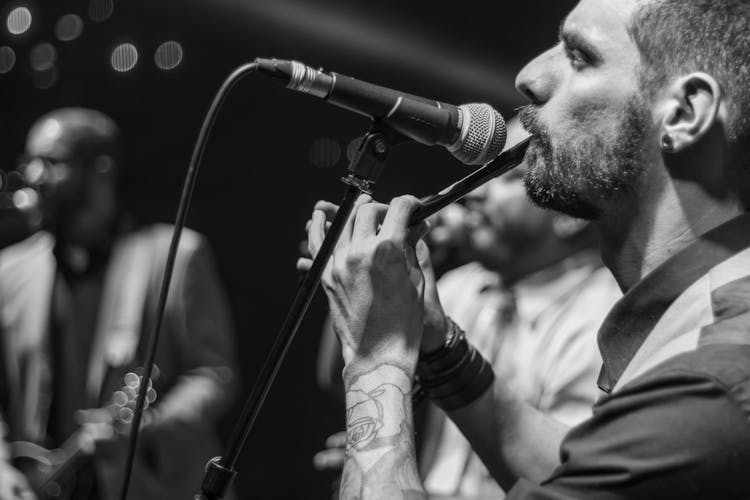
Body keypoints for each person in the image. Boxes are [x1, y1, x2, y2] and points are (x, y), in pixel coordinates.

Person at [300, 0, 750, 498]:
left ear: (684, 113)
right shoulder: (701, 341)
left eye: (580, 56)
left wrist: (377, 359)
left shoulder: (716, 378)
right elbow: (586, 470)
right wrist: (438, 343)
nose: (529, 76)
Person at [312, 162, 621, 499]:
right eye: (484, 175)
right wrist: (365, 271)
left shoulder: (603, 316)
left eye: (513, 177)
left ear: (571, 214)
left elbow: (568, 479)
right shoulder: (463, 284)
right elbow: (344, 376)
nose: (475, 192)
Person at [0, 108, 238, 500]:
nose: (33, 176)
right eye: (30, 161)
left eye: (52, 162)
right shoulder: (10, 270)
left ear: (101, 169)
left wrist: (149, 426)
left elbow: (215, 374)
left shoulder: (175, 255)